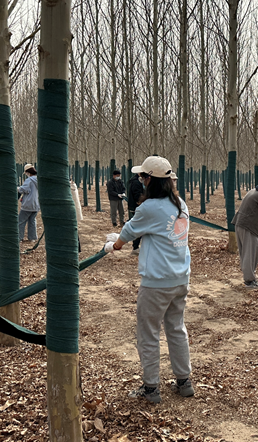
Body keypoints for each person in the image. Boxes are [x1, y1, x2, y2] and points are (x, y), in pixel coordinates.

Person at [104, 156, 194, 403]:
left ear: (150, 179)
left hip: (157, 282)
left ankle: (151, 387)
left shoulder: (150, 207)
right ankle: (184, 381)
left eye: (143, 177)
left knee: (148, 333)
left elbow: (128, 233)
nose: (140, 180)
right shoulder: (180, 205)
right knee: (176, 328)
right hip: (180, 279)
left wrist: (114, 245)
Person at [17, 164, 39, 242]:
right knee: (32, 221)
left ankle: (19, 238)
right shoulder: (38, 179)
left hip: (28, 204)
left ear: (28, 172)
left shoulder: (29, 180)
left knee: (21, 221)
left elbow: (24, 189)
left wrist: (18, 188)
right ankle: (32, 238)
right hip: (36, 204)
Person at [127, 171, 145, 255]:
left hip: (135, 207)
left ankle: (136, 246)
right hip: (136, 207)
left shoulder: (135, 181)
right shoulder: (136, 183)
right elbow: (137, 196)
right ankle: (135, 247)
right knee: (140, 227)